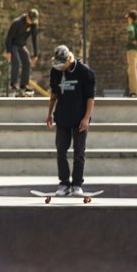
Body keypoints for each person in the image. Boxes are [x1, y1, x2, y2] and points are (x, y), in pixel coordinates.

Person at [45, 44, 96, 197]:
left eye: (62, 65)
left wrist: (86, 118)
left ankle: (77, 184)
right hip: (62, 117)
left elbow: (90, 98)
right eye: (57, 65)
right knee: (61, 151)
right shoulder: (55, 72)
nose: (60, 68)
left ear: (69, 59)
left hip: (80, 118)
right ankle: (64, 183)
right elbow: (54, 94)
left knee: (79, 152)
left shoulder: (84, 72)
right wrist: (49, 114)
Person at [4, 9, 40, 95]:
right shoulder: (17, 23)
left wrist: (35, 54)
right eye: (29, 19)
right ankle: (13, 84)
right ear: (27, 15)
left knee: (27, 62)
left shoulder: (33, 25)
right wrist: (8, 51)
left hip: (21, 45)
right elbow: (8, 38)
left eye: (32, 20)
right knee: (16, 61)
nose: (30, 21)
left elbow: (34, 39)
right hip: (13, 45)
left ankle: (23, 85)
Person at [124, 10, 137, 97]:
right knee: (132, 70)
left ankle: (134, 92)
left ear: (130, 18)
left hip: (132, 50)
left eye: (128, 18)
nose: (127, 19)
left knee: (132, 71)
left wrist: (130, 39)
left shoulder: (131, 26)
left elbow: (131, 34)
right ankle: (133, 91)